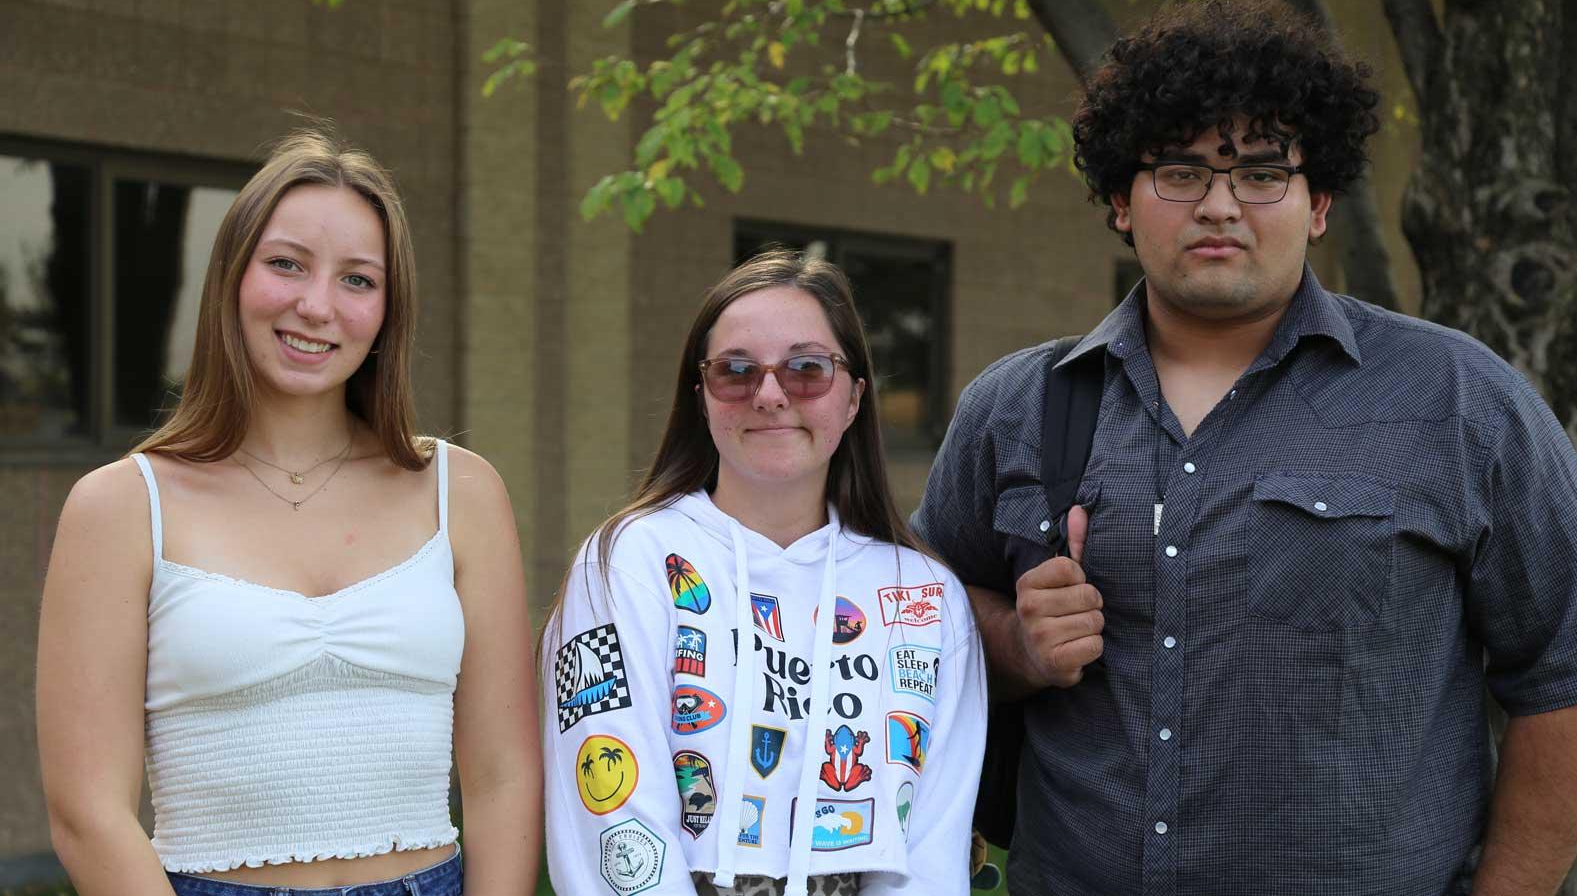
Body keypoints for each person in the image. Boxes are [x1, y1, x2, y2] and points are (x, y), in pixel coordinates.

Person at [912, 0, 1577, 894]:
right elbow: (909, 642)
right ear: (1122, 200)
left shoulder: (1459, 400)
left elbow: (1571, 675)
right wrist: (1015, 643)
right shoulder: (1016, 405)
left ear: (1318, 203)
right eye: (1181, 172)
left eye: (1264, 174)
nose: (1221, 207)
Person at [36, 130, 540, 896]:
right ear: (232, 277)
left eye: (358, 280)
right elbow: (87, 812)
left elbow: (503, 777)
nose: (317, 306)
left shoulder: (460, 492)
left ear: (388, 310)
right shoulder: (121, 507)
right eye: (286, 264)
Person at [540, 249, 985, 896]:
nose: (770, 394)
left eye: (807, 369)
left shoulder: (924, 596)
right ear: (702, 398)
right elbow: (611, 812)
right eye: (736, 371)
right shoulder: (627, 562)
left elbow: (933, 852)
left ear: (856, 395)